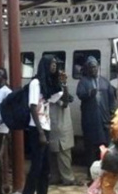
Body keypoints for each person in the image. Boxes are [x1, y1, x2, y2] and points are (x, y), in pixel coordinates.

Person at [23, 55, 63, 194]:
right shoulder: (36, 83)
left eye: (55, 64)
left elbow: (56, 97)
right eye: (51, 64)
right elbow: (33, 107)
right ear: (45, 65)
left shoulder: (48, 84)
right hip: (37, 128)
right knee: (37, 166)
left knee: (45, 167)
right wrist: (40, 133)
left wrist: (62, 82)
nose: (54, 66)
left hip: (46, 127)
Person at [76, 56, 115, 181]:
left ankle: (104, 171)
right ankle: (91, 173)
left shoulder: (104, 82)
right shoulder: (83, 81)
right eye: (90, 67)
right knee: (90, 148)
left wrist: (112, 115)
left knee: (103, 147)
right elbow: (79, 94)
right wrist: (89, 94)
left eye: (94, 67)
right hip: (90, 121)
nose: (93, 69)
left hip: (104, 121)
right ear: (87, 69)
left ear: (98, 67)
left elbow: (111, 100)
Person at [49, 67, 81, 186]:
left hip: (55, 127)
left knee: (54, 155)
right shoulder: (55, 92)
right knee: (64, 156)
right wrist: (65, 85)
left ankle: (55, 177)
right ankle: (67, 178)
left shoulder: (51, 89)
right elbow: (66, 102)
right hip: (60, 128)